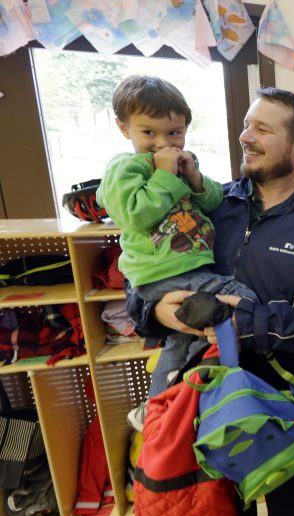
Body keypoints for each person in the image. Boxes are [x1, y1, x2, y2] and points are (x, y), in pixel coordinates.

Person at [125, 87, 294, 516]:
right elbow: (147, 276)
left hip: (290, 405)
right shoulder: (207, 203)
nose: (245, 136)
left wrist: (248, 323)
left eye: (261, 128)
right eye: (245, 125)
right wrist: (156, 314)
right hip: (206, 399)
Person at [96, 75, 258, 431]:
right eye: (148, 132)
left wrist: (193, 176)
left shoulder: (182, 163)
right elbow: (135, 214)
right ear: (124, 128)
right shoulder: (126, 168)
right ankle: (230, 383)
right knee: (242, 298)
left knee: (183, 341)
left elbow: (213, 201)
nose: (163, 143)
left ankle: (156, 410)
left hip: (188, 267)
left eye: (174, 132)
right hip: (163, 272)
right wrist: (164, 174)